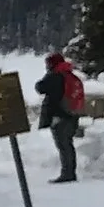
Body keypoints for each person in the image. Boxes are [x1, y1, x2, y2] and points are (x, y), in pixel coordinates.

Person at [39, 49, 86, 182]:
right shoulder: (68, 74)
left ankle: (67, 173)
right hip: (71, 114)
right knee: (68, 145)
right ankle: (70, 172)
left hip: (59, 116)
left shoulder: (55, 76)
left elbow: (40, 87)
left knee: (63, 145)